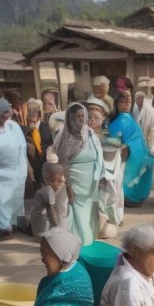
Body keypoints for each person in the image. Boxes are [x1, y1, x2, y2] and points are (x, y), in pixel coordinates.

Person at [49, 102, 105, 245]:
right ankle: (82, 244)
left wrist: (101, 176)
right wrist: (68, 187)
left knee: (89, 213)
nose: (81, 119)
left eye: (83, 116)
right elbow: (63, 163)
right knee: (80, 213)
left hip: (91, 180)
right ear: (70, 118)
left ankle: (82, 242)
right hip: (76, 181)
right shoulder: (66, 136)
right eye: (77, 116)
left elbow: (98, 153)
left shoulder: (88, 132)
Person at [0, 98, 28, 240]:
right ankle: (4, 228)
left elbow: (22, 146)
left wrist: (27, 166)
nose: (7, 115)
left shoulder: (14, 126)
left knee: (15, 198)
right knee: (1, 199)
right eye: (3, 113)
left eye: (8, 112)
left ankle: (14, 224)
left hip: (16, 171)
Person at [107, 91, 154, 207]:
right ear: (116, 103)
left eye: (128, 102)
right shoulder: (127, 117)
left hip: (133, 154)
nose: (126, 105)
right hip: (138, 153)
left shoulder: (123, 119)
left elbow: (112, 139)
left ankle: (127, 197)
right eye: (122, 102)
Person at [31, 162, 68, 238]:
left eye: (60, 180)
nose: (60, 183)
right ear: (47, 180)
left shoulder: (45, 189)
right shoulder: (48, 190)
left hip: (40, 223)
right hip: (43, 228)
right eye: (57, 181)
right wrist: (56, 227)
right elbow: (51, 211)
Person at [132, 90, 154, 155]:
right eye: (136, 98)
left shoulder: (152, 114)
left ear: (143, 98)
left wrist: (151, 149)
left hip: (148, 148)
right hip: (137, 145)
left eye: (139, 97)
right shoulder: (135, 111)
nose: (137, 100)